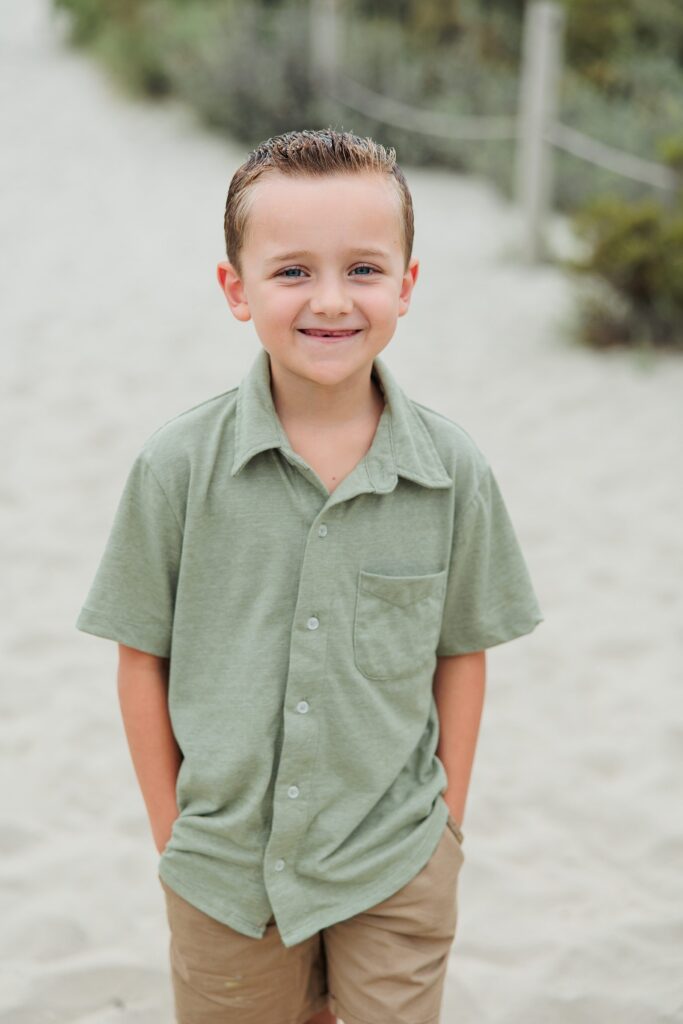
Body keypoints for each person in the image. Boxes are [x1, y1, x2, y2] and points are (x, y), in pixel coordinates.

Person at [76, 127, 544, 1024]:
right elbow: (141, 656)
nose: (330, 300)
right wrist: (173, 835)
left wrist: (443, 832)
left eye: (363, 270)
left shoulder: (453, 471)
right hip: (223, 873)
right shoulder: (175, 467)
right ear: (235, 289)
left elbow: (461, 652)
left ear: (407, 285)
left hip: (393, 860)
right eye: (292, 272)